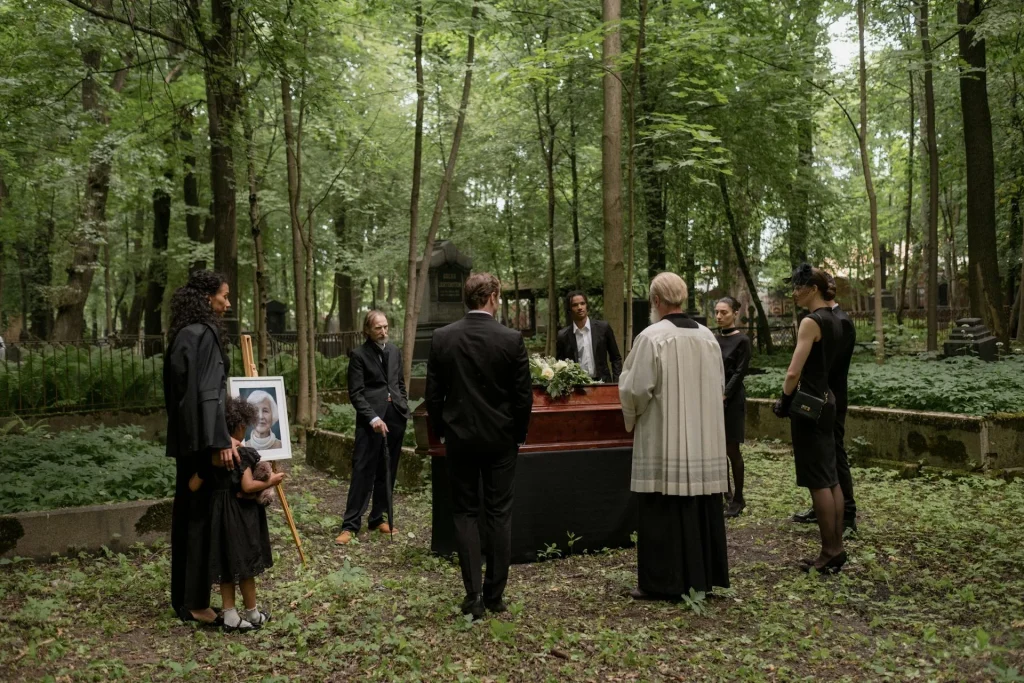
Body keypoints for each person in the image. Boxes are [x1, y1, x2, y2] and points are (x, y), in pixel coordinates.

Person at [425, 272, 533, 619]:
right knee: (499, 513)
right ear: (492, 297)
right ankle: (494, 594)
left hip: (460, 440)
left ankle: (473, 596)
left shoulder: (443, 338)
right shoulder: (511, 339)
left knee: (465, 513)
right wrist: (519, 433)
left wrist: (441, 430)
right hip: (501, 440)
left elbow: (433, 395)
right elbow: (522, 398)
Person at [619, 272, 730, 601]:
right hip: (704, 435)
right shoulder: (708, 336)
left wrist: (631, 412)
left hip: (665, 435)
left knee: (662, 505)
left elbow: (636, 388)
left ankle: (662, 581)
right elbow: (719, 383)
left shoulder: (652, 337)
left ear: (655, 300)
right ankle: (703, 576)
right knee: (700, 505)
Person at [163, 269, 238, 624]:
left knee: (187, 517)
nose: (228, 302)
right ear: (207, 298)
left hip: (188, 444)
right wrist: (220, 442)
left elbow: (182, 398)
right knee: (200, 521)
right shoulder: (205, 335)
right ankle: (195, 604)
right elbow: (209, 394)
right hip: (205, 446)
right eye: (224, 296)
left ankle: (184, 600)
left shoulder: (182, 334)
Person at [772, 264, 847, 573]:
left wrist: (785, 400)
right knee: (831, 477)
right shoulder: (836, 320)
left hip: (808, 404)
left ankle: (830, 550)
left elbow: (794, 370)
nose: (794, 292)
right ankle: (836, 546)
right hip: (828, 400)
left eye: (799, 286)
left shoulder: (810, 322)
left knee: (818, 481)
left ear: (813, 289)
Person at [194, 396, 281, 632]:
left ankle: (230, 614)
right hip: (239, 516)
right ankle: (252, 613)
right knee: (245, 565)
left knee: (226, 565)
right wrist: (271, 480)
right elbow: (248, 486)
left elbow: (193, 485)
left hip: (217, 515)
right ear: (241, 426)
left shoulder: (212, 457)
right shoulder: (243, 454)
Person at [336, 310, 411, 545]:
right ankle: (350, 526)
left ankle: (378, 518)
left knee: (387, 470)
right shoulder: (359, 355)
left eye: (386, 327)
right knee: (363, 471)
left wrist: (402, 406)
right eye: (378, 328)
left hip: (395, 418)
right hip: (371, 423)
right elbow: (356, 394)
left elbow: (398, 383)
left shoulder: (394, 351)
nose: (383, 331)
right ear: (367, 330)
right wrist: (373, 418)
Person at [715, 296, 751, 518]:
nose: (719, 316)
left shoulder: (743, 341)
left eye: (724, 312)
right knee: (717, 450)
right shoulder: (713, 339)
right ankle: (725, 494)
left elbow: (740, 371)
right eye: (717, 312)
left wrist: (725, 394)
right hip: (714, 398)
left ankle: (738, 498)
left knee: (731, 449)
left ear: (735, 313)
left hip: (732, 400)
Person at [555, 291, 623, 382]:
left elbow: (616, 358)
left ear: (587, 306)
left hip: (603, 384)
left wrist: (616, 382)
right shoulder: (563, 336)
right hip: (577, 386)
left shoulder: (603, 328)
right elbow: (560, 365)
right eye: (575, 305)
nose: (580, 307)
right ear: (569, 310)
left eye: (582, 303)